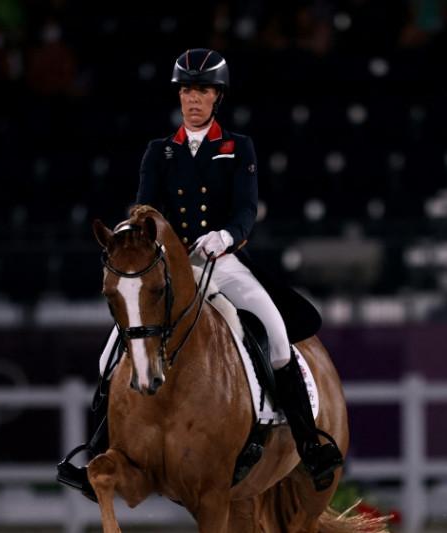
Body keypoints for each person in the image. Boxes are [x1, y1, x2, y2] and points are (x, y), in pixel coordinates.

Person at [56, 48, 344, 501]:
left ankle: (308, 442)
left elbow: (246, 208)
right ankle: (97, 449)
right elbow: (144, 207)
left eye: (203, 91)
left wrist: (227, 237)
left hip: (222, 262)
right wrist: (132, 230)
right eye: (188, 90)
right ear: (180, 96)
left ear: (217, 97)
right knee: (109, 354)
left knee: (276, 332)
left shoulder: (237, 147)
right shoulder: (160, 151)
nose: (194, 99)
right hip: (171, 267)